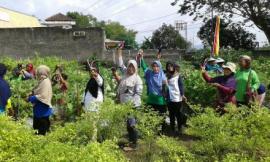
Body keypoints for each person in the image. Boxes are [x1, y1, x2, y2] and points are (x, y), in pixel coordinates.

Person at [112, 43, 143, 149]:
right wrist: (119, 51)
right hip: (125, 105)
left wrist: (131, 105)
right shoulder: (125, 73)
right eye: (129, 66)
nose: (130, 68)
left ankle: (135, 144)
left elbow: (138, 94)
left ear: (135, 68)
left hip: (133, 106)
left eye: (132, 67)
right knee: (128, 125)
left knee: (132, 124)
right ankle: (131, 141)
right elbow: (120, 64)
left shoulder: (137, 78)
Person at [139, 50, 167, 131]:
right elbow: (144, 66)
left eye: (157, 66)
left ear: (160, 67)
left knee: (161, 117)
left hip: (160, 101)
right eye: (154, 66)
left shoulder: (162, 76)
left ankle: (161, 132)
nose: (155, 68)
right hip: (151, 100)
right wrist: (141, 57)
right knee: (150, 117)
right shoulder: (149, 73)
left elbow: (167, 89)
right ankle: (151, 132)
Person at [28, 65, 53, 135]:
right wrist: (32, 92)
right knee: (39, 128)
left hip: (42, 110)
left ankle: (40, 142)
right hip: (41, 110)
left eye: (38, 73)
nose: (37, 75)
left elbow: (43, 95)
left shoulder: (45, 82)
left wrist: (31, 98)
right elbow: (39, 90)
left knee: (40, 130)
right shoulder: (44, 81)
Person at [82, 63, 104, 141]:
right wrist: (82, 102)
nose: (91, 72)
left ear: (97, 72)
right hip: (88, 107)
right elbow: (85, 92)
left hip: (95, 107)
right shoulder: (90, 81)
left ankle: (94, 142)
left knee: (94, 124)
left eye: (94, 71)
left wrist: (96, 75)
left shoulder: (99, 79)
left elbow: (100, 82)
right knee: (92, 124)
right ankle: (98, 139)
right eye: (91, 71)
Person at [165, 61, 187, 135]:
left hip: (177, 98)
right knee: (171, 114)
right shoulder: (166, 76)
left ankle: (180, 128)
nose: (169, 67)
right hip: (169, 98)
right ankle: (172, 129)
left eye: (171, 66)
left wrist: (183, 95)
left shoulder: (178, 76)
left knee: (178, 114)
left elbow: (181, 86)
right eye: (168, 66)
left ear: (174, 67)